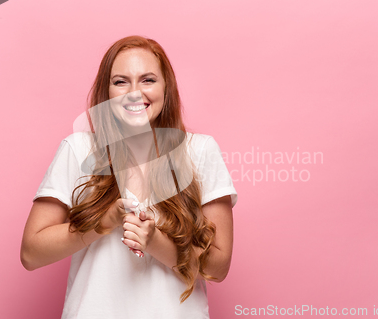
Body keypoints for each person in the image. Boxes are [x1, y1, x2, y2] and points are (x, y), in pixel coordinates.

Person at [20, 35, 238, 319]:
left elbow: (218, 268)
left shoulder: (200, 150)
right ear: (106, 92)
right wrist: (103, 222)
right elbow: (31, 253)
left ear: (166, 88)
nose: (135, 93)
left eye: (148, 80)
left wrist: (155, 242)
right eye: (121, 82)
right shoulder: (78, 149)